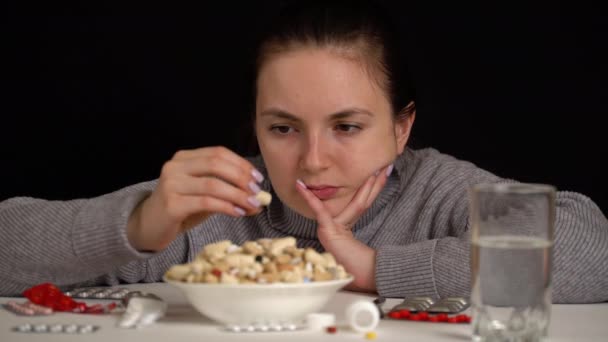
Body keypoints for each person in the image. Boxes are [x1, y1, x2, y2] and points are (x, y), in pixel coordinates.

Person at [1, 0, 607, 303]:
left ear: (401, 128)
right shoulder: (223, 206)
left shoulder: (435, 190)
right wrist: (139, 224)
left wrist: (370, 269)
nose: (313, 161)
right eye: (284, 129)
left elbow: (589, 251)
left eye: (347, 127)